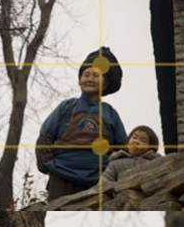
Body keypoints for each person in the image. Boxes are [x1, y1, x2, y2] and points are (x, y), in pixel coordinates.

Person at [35, 46, 128, 200]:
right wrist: (47, 163)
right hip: (62, 176)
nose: (90, 79)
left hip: (100, 178)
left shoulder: (110, 113)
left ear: (105, 83)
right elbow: (46, 135)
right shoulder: (66, 107)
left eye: (96, 76)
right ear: (80, 80)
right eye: (86, 74)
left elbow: (122, 146)